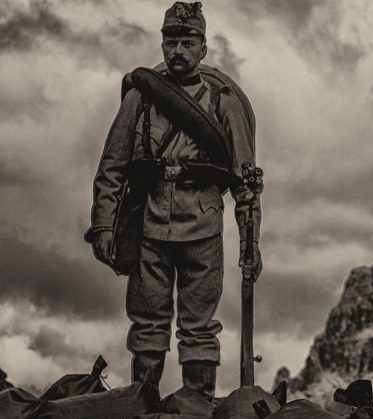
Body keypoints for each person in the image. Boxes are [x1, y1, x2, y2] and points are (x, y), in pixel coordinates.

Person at [84, 1, 261, 404]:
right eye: (171, 41)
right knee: (147, 326)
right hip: (148, 223)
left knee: (199, 328)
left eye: (187, 41)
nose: (178, 49)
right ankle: (142, 406)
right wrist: (104, 225)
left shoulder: (223, 100)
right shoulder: (142, 95)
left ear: (203, 47)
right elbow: (112, 165)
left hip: (203, 225)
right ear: (162, 44)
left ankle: (197, 406)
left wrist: (252, 243)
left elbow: (246, 181)